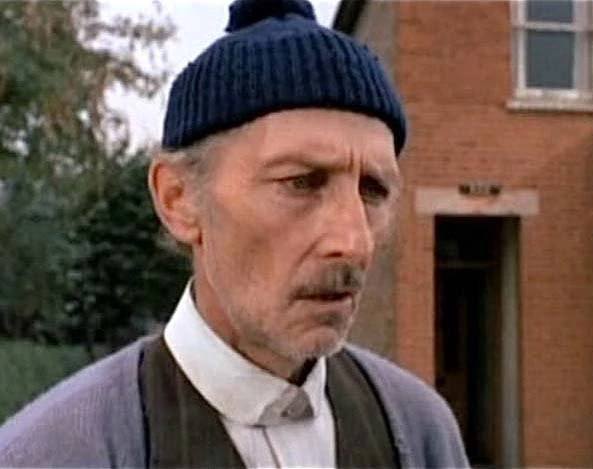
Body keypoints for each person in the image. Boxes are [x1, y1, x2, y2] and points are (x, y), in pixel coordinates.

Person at [0, 0, 469, 467]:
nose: (354, 241)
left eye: (373, 190)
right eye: (301, 182)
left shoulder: (419, 429)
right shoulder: (51, 453)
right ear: (178, 199)